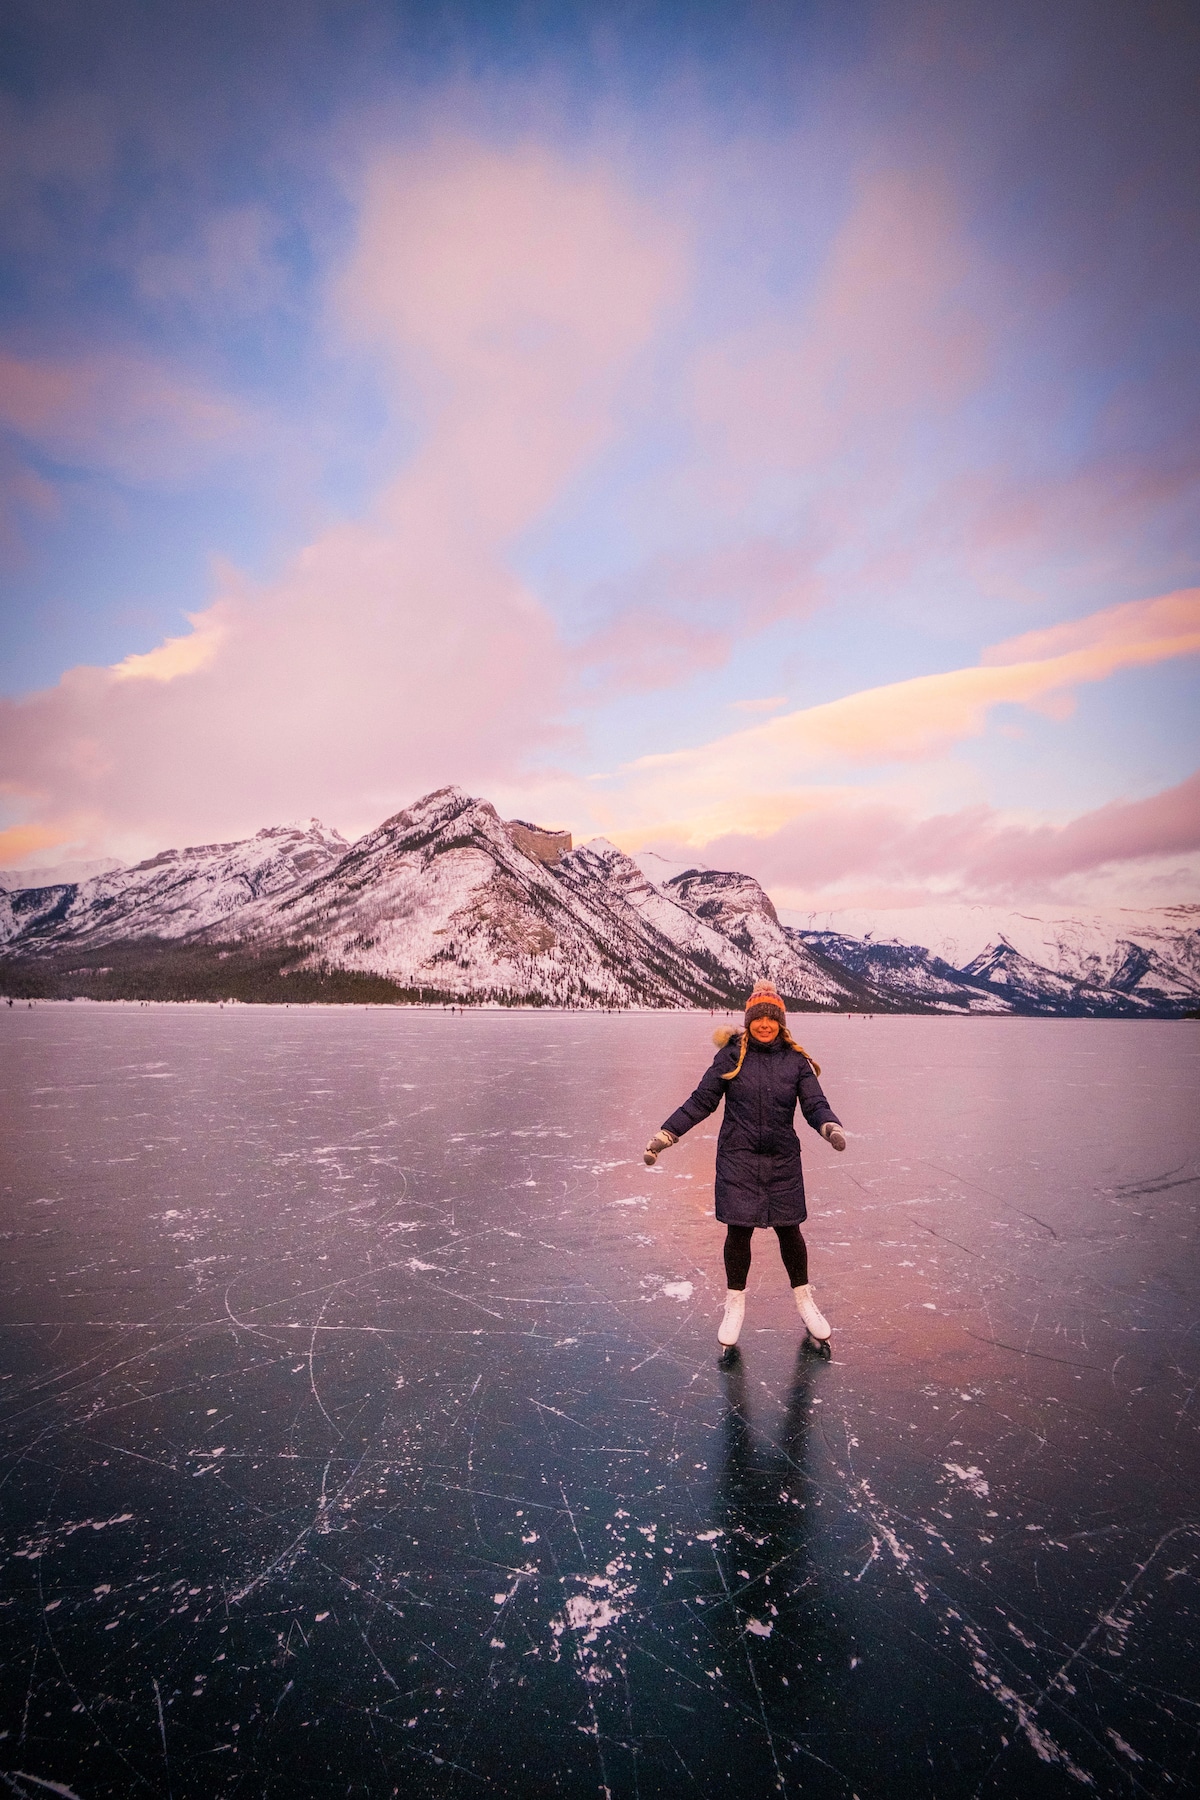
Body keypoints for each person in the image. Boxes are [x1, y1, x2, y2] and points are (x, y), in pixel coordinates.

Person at [644, 980, 846, 1350]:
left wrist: (828, 1125)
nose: (765, 1025)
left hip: (782, 1157)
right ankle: (734, 1304)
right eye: (758, 1019)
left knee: (790, 1231)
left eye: (772, 1019)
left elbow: (815, 1103)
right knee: (738, 1233)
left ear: (781, 1023)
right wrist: (667, 1134)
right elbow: (700, 1101)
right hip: (737, 1157)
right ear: (749, 1020)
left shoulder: (795, 1061)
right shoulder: (731, 1056)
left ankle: (805, 1301)